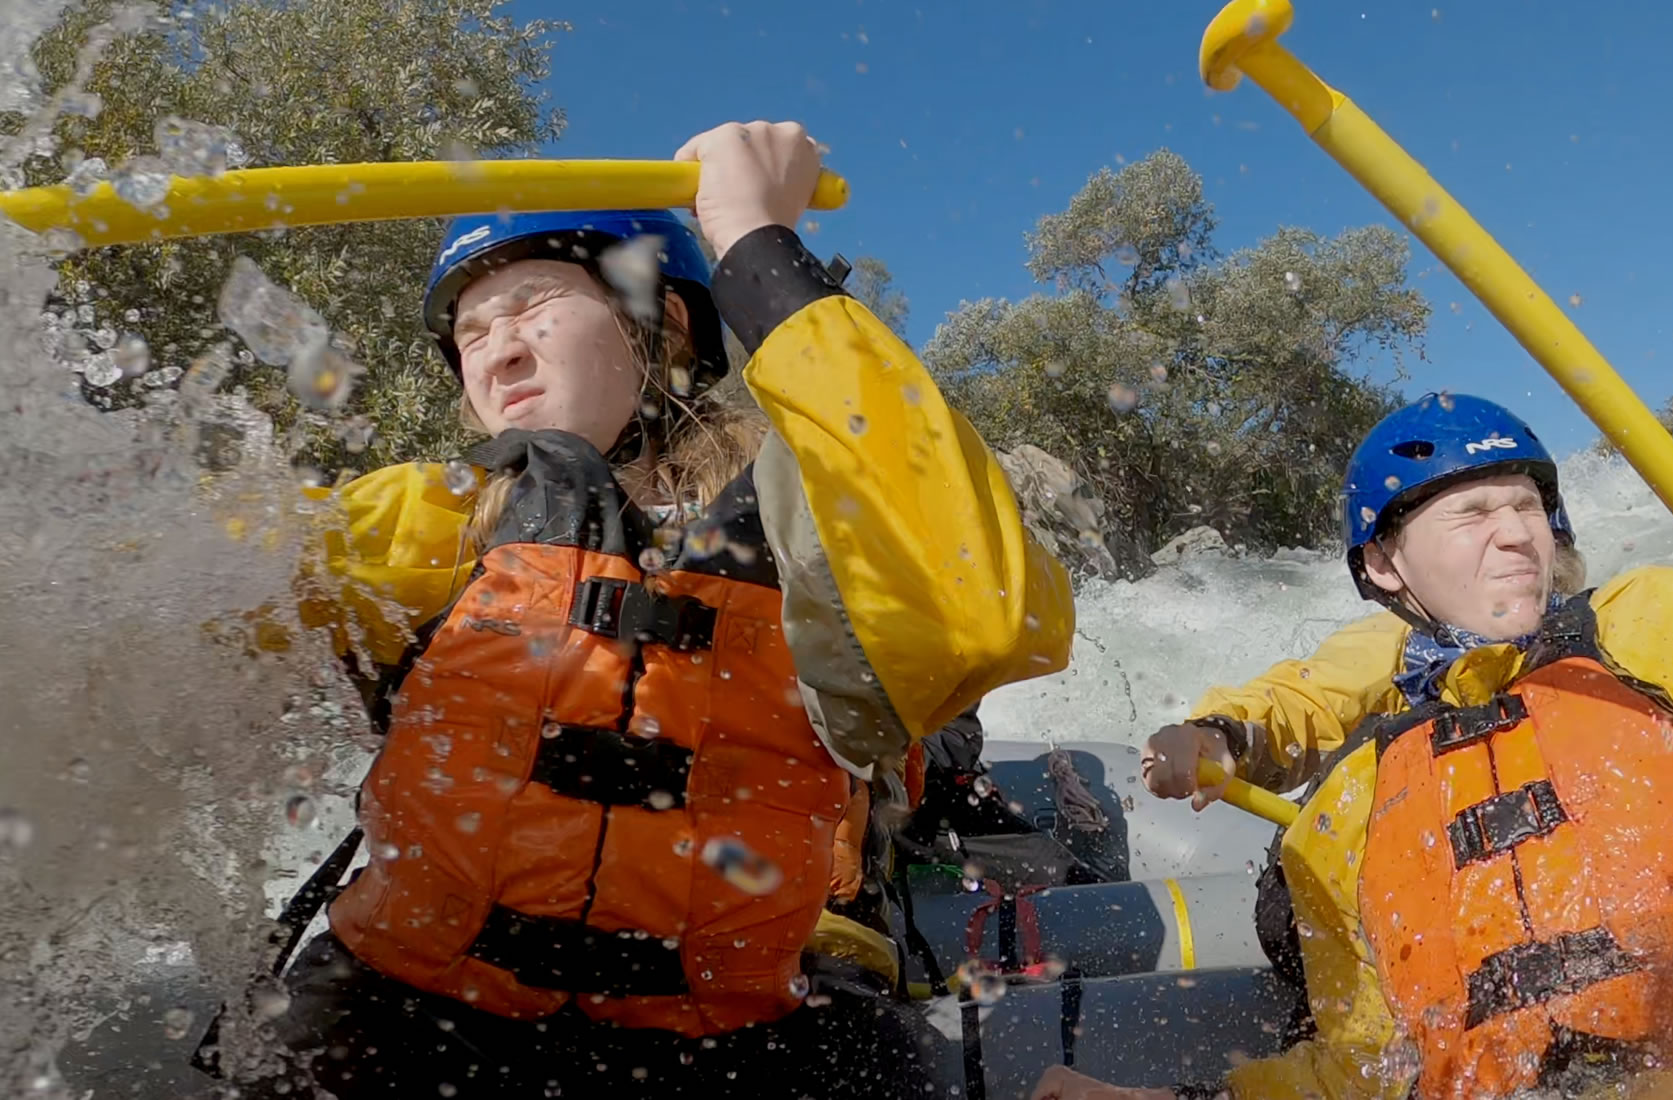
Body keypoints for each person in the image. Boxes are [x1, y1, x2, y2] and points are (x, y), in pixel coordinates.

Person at [224, 120, 1075, 1099]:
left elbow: (983, 612)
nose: (497, 353)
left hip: (748, 1033)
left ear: (664, 323)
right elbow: (148, 607)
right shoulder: (425, 519)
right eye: (471, 332)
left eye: (535, 304)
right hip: (409, 1015)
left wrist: (757, 248)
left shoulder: (808, 509)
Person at [1031, 392, 1673, 1100]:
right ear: (1385, 565)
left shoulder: (1655, 627)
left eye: (1527, 505)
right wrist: (1217, 735)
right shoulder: (1358, 790)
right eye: (1470, 513)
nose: (1514, 532)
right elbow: (1304, 702)